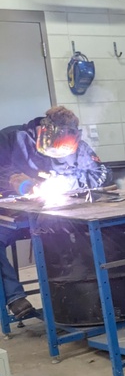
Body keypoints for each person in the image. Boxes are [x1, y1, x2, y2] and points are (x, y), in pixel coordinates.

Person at [0, 105, 109, 320]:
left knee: (86, 238)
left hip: (61, 217)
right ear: (44, 131)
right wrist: (17, 180)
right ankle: (14, 298)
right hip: (16, 217)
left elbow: (102, 174)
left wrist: (68, 181)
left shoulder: (78, 145)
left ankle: (79, 298)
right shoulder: (12, 139)